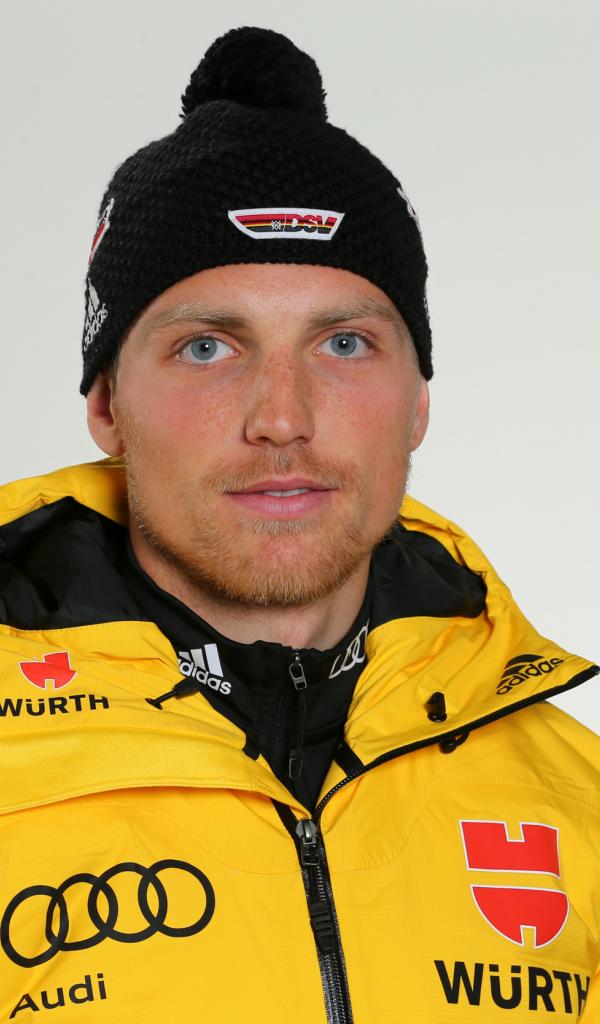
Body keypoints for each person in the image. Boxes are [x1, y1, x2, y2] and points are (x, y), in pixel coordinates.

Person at [0, 24, 598, 1023]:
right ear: (107, 404)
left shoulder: (576, 800)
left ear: (418, 402)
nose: (282, 418)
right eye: (207, 347)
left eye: (345, 343)